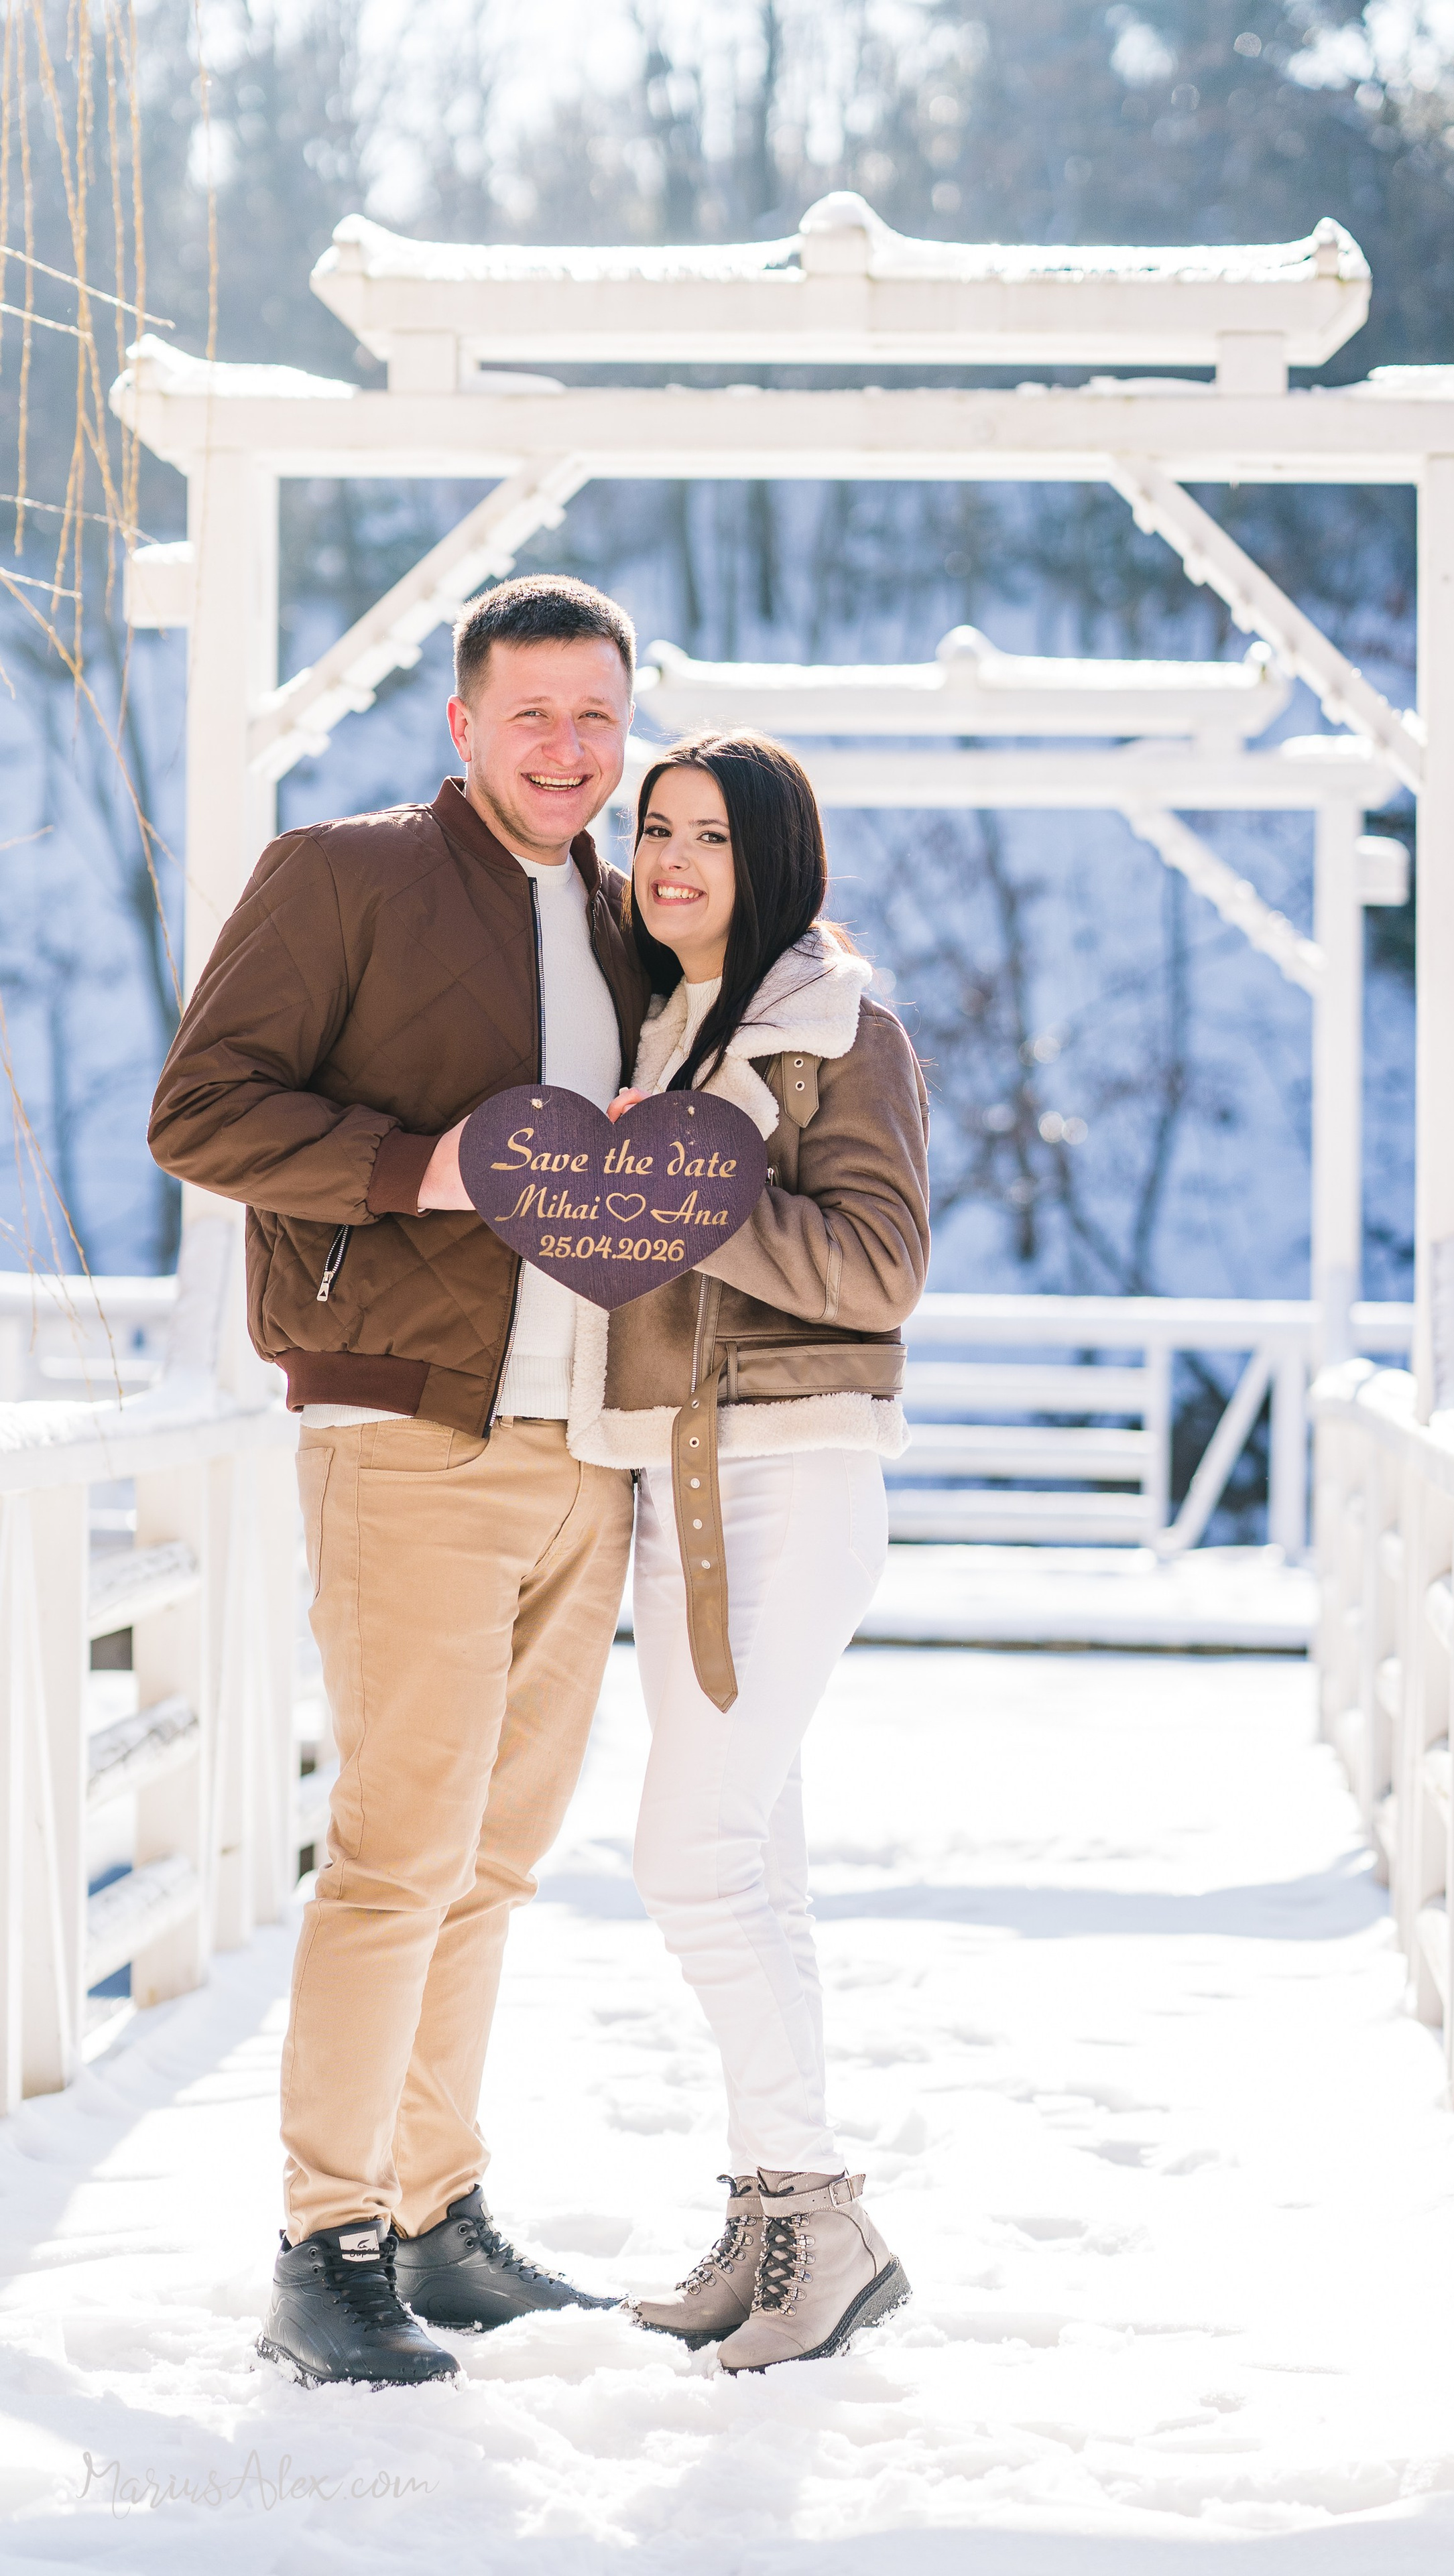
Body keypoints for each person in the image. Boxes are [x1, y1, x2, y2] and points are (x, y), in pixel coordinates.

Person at [149, 575, 650, 2386]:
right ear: (462, 722)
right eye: (534, 715)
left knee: (498, 1862)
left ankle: (437, 2213)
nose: (568, 750)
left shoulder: (626, 918)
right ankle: (321, 2242)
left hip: (588, 1449)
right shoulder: (339, 876)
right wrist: (414, 1167)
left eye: (598, 717)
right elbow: (198, 1110)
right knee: (395, 1852)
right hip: (408, 1434)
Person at [572, 730, 931, 2372]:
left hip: (787, 1466)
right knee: (754, 1864)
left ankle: (819, 2212)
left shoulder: (834, 1029)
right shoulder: (648, 1016)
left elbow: (879, 1269)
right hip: (677, 1474)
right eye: (653, 828)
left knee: (688, 1853)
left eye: (709, 834)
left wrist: (680, 1185)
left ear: (775, 857)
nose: (670, 858)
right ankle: (777, 2216)